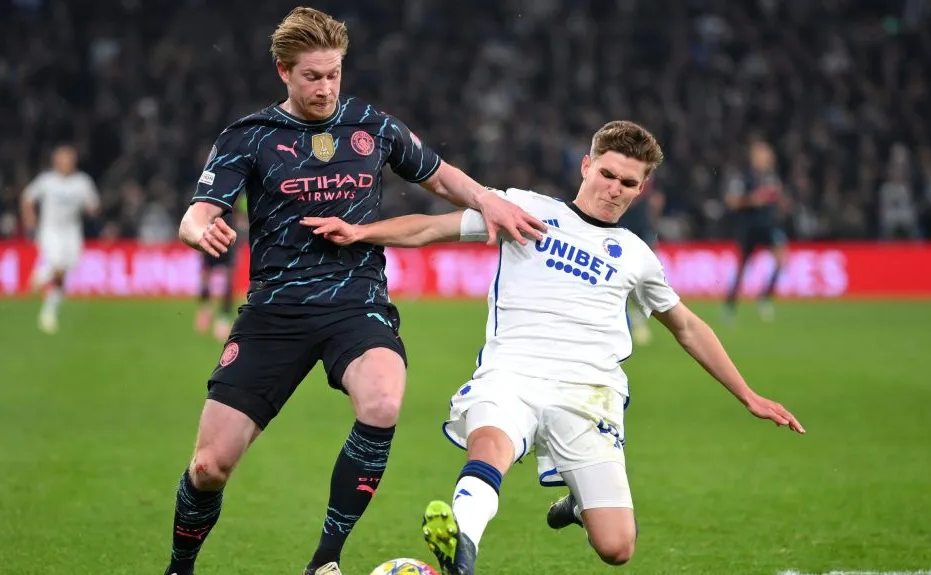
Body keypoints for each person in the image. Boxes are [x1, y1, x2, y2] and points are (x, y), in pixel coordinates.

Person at [303, 120, 805, 575]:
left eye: (629, 183)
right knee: (490, 443)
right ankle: (463, 548)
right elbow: (433, 227)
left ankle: (578, 506)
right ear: (587, 166)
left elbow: (688, 328)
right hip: (512, 374)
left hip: (588, 394)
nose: (615, 190)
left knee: (617, 547)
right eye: (607, 174)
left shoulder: (636, 256)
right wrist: (361, 232)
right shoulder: (525, 210)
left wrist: (748, 396)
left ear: (643, 189)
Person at [164, 7, 545, 575]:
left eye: (333, 74)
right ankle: (180, 567)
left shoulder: (372, 125)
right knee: (209, 468)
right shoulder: (249, 137)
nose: (325, 88)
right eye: (312, 76)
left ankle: (325, 562)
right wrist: (202, 231)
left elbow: (437, 175)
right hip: (276, 310)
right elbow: (196, 215)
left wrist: (487, 198)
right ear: (283, 72)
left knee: (385, 402)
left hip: (356, 302)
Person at [20, 144, 100, 334]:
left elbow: (93, 206)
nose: (66, 163)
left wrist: (92, 211)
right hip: (50, 230)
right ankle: (40, 276)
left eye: (70, 159)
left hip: (72, 231)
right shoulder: (46, 181)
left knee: (64, 272)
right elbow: (27, 199)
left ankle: (48, 313)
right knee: (57, 266)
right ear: (55, 161)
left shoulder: (82, 182)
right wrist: (30, 223)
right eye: (63, 159)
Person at [723, 140, 789, 322]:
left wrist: (782, 202)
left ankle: (765, 297)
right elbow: (731, 201)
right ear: (754, 158)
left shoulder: (771, 178)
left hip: (768, 225)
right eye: (762, 156)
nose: (766, 159)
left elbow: (779, 198)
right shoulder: (743, 177)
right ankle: (730, 304)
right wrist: (752, 199)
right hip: (749, 226)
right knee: (742, 268)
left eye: (767, 156)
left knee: (782, 258)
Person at [616, 185, 665, 345]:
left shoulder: (646, 184)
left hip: (642, 228)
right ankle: (623, 318)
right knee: (622, 279)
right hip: (625, 227)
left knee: (642, 280)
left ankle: (638, 319)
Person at [195, 198, 245, 341]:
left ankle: (223, 318)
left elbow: (241, 213)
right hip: (211, 233)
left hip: (230, 235)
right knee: (206, 273)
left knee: (229, 277)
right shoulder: (213, 186)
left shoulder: (238, 187)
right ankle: (205, 308)